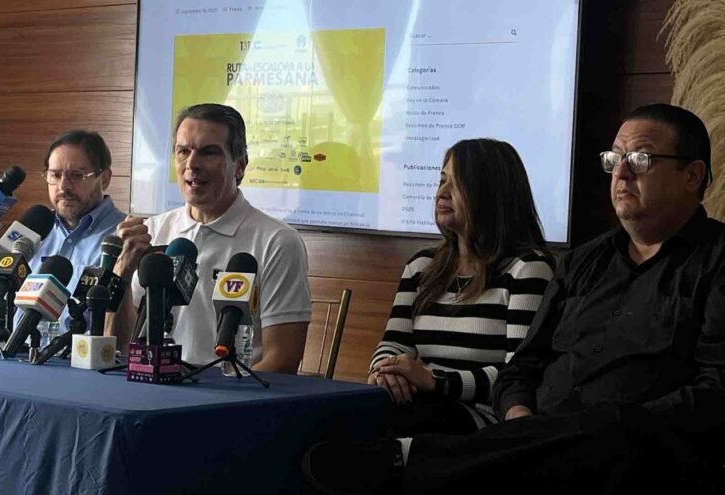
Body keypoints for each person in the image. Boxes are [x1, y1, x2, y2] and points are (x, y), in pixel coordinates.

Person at [303, 103, 725, 494]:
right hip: (540, 433)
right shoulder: (584, 261)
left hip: (639, 445)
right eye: (614, 159)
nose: (622, 173)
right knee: (355, 416)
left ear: (692, 176)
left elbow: (715, 389)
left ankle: (405, 461)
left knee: (606, 426)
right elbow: (523, 366)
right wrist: (521, 424)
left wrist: (624, 422)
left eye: (641, 159)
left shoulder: (716, 261)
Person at [369, 138, 555, 435]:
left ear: (491, 192)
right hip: (421, 406)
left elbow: (519, 374)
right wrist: (385, 371)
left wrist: (436, 382)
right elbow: (393, 343)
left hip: (484, 418)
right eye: (442, 181)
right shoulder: (421, 266)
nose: (441, 193)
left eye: (457, 184)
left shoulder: (528, 269)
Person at [108, 103, 312, 373]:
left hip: (233, 392)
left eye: (208, 152)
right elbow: (119, 346)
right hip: (153, 384)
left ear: (240, 166)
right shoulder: (152, 231)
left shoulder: (277, 242)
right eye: (183, 151)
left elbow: (283, 359)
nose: (192, 164)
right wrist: (123, 271)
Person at [29, 130, 127, 326]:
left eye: (76, 175)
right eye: (55, 175)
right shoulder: (35, 229)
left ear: (105, 179)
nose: (63, 186)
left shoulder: (123, 238)